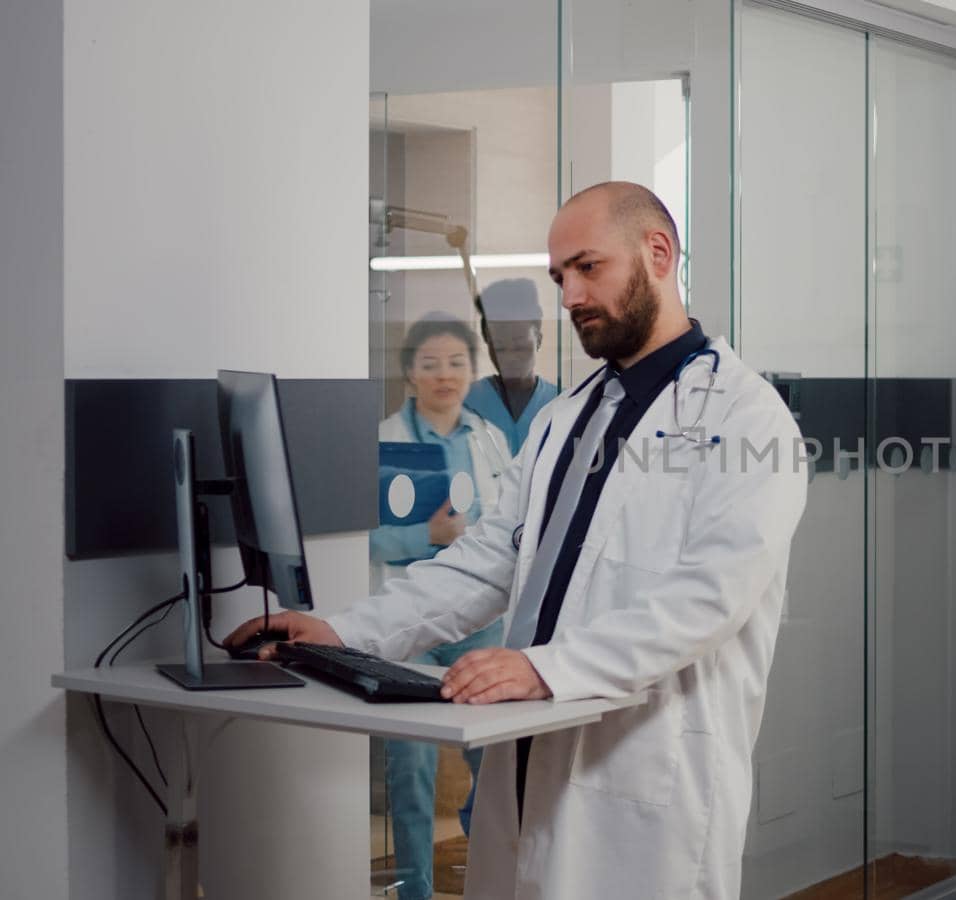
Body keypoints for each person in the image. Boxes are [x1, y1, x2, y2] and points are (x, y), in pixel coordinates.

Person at [228, 181, 808, 899]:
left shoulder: (747, 418)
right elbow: (484, 563)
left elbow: (710, 598)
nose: (569, 296)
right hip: (528, 751)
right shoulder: (566, 418)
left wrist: (548, 669)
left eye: (588, 267)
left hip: (647, 771)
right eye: (559, 276)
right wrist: (342, 632)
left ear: (658, 253)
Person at [370, 313, 514, 900]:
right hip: (413, 612)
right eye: (430, 364)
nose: (444, 375)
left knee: (496, 760)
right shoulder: (387, 439)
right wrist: (428, 539)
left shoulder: (489, 438)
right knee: (411, 767)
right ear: (409, 374)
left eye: (456, 363)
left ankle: (492, 879)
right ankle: (415, 890)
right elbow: (372, 537)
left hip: (479, 613)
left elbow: (509, 527)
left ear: (472, 372)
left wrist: (473, 537)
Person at [465, 278, 560, 457]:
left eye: (519, 346)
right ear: (487, 342)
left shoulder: (560, 403)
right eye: (499, 347)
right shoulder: (466, 403)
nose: (510, 357)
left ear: (538, 339)